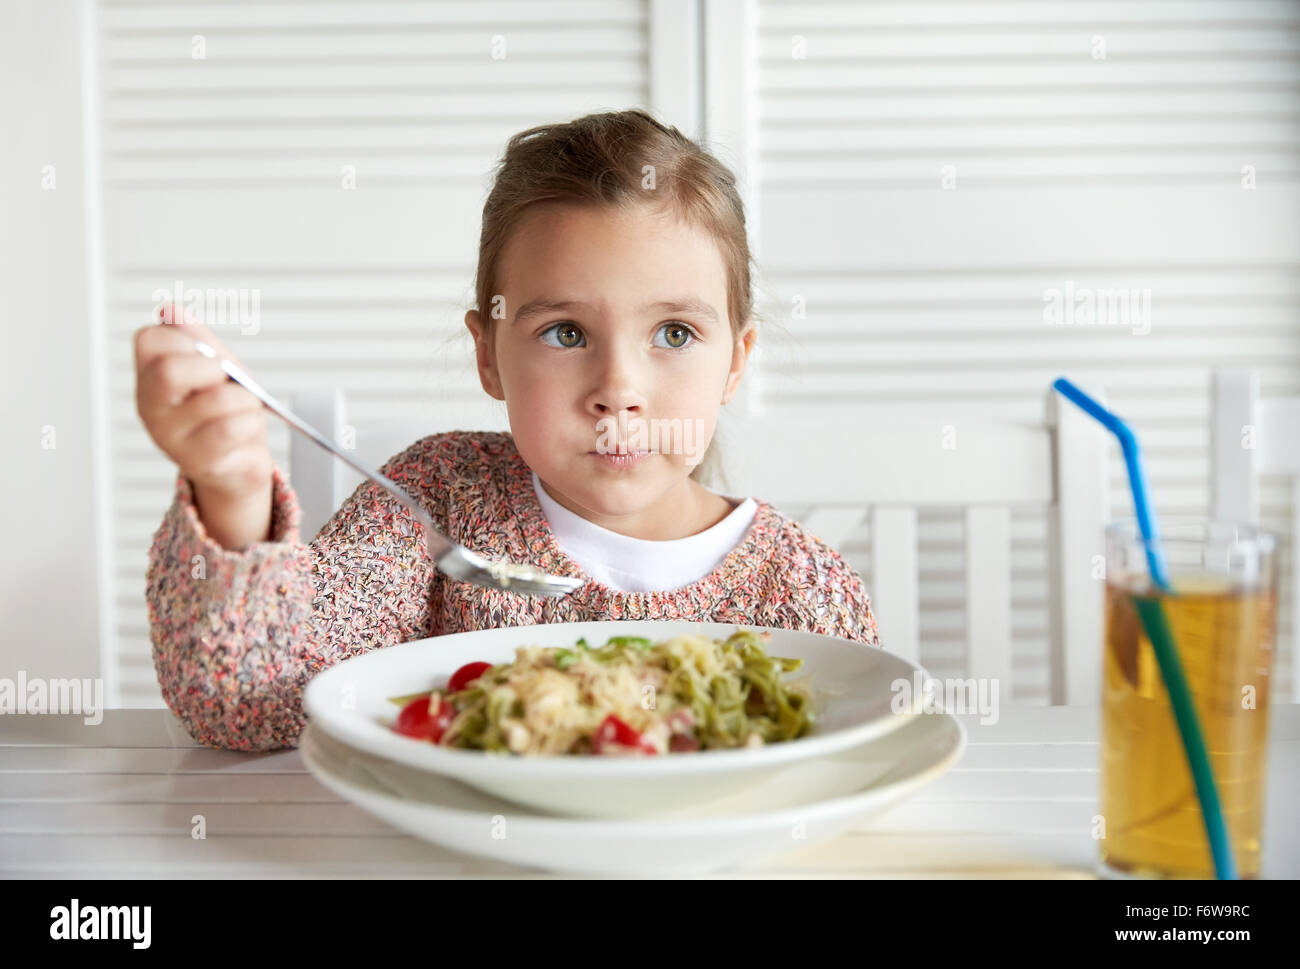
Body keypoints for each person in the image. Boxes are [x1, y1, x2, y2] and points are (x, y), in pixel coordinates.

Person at [135, 108, 880, 752]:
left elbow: (853, 755)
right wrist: (230, 487)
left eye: (675, 334)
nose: (618, 390)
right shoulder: (437, 503)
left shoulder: (802, 590)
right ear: (489, 355)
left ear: (735, 362)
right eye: (564, 333)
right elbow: (249, 704)